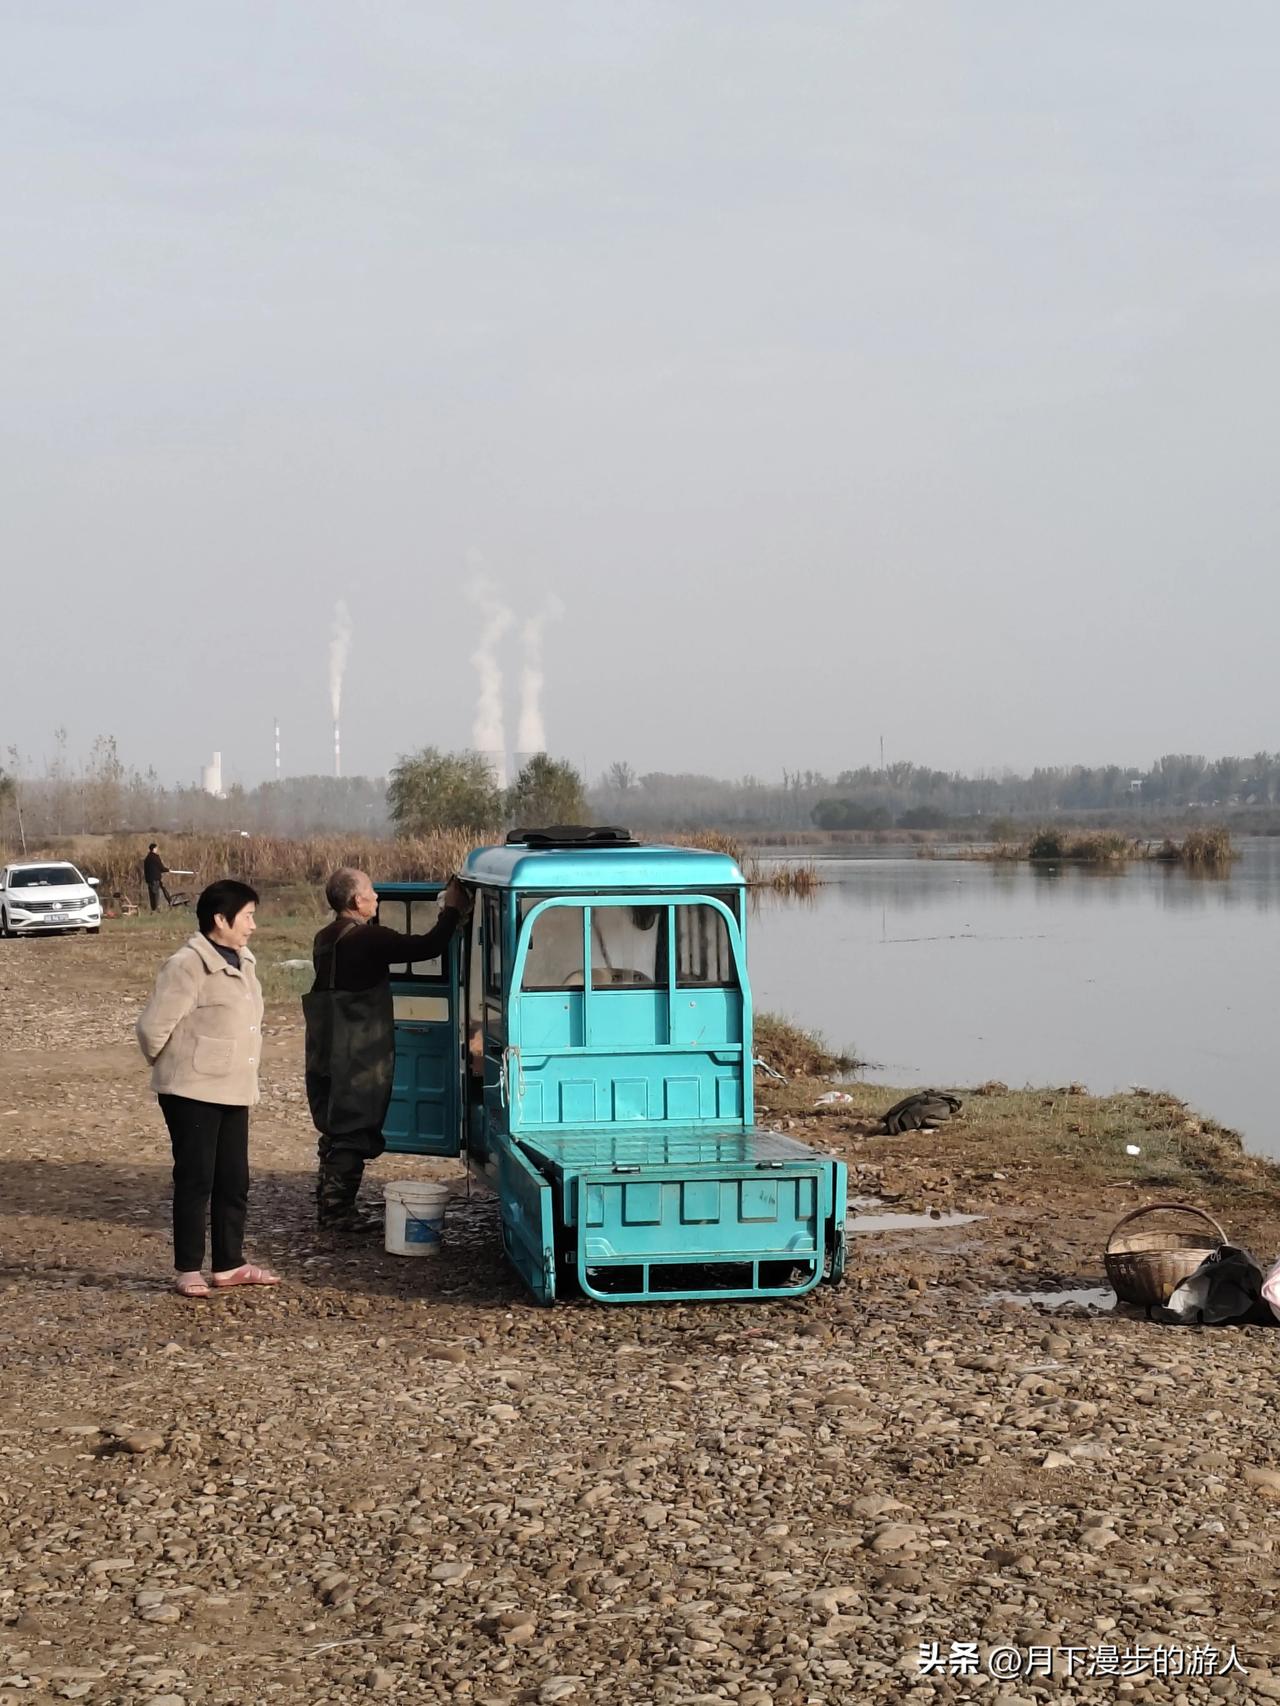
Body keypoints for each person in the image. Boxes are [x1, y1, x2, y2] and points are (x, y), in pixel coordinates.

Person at [136, 879, 280, 1298]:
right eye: (248, 915)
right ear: (221, 918)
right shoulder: (186, 964)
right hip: (191, 1090)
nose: (253, 925)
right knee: (196, 1178)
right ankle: (187, 1269)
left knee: (234, 1178)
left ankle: (230, 1264)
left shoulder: (244, 959)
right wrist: (178, 1068)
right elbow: (151, 1029)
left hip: (235, 1087)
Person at [304, 868, 471, 1224]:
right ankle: (338, 1211)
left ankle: (329, 1200)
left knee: (335, 1121)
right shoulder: (367, 939)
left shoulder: (325, 938)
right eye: (371, 892)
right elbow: (427, 946)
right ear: (356, 901)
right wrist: (453, 910)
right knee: (355, 1124)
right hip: (358, 1048)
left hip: (325, 1043)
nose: (377, 897)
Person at [143, 843, 169, 911]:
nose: (157, 850)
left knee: (151, 894)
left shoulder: (147, 858)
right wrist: (167, 870)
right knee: (156, 894)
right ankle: (157, 908)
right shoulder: (155, 857)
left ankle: (153, 908)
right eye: (156, 848)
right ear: (154, 849)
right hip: (155, 878)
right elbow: (161, 867)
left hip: (149, 879)